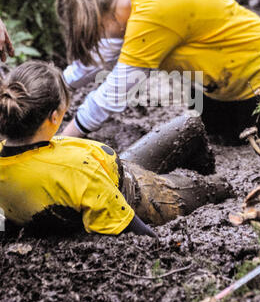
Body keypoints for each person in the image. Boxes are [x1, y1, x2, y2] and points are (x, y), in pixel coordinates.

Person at [57, 0, 260, 144]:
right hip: (219, 84)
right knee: (212, 133)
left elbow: (112, 94)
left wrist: (63, 141)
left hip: (258, 79)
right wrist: (57, 87)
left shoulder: (152, 16)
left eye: (98, 36)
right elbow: (97, 58)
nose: (102, 41)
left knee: (241, 139)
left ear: (101, 20)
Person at [0, 60, 156, 237]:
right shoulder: (77, 173)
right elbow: (143, 235)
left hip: (113, 173)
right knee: (191, 127)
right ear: (54, 116)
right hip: (139, 195)